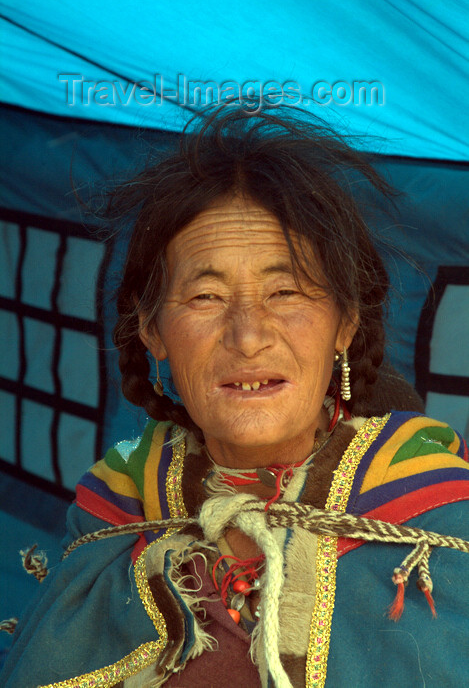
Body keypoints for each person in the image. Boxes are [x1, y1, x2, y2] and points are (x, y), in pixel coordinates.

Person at [1, 105, 468, 688]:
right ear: (153, 331)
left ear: (345, 324)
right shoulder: (117, 508)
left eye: (285, 291)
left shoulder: (435, 524)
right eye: (206, 297)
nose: (248, 336)